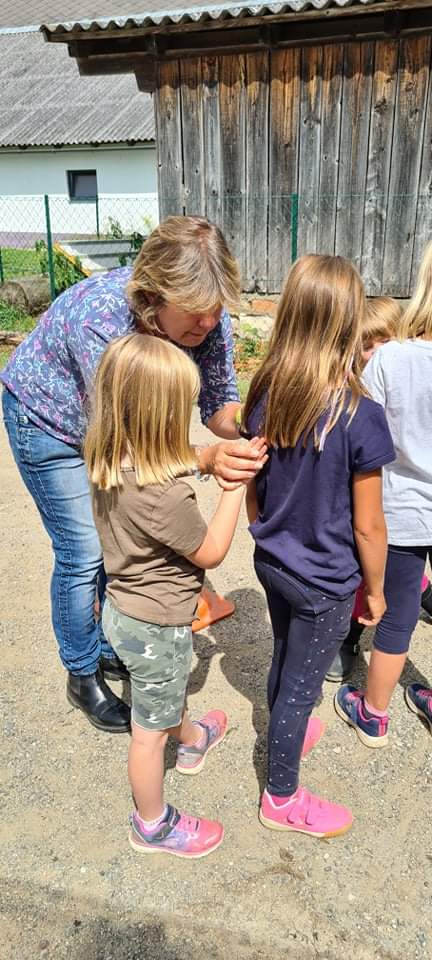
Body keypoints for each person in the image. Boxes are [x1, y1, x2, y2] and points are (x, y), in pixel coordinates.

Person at [1, 216, 266, 733]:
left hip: (119, 436)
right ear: (152, 297)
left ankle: (107, 645)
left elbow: (217, 405)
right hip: (50, 421)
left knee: (115, 545)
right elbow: (123, 445)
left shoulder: (207, 316)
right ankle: (82, 672)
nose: (208, 324)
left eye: (216, 311)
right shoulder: (101, 321)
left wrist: (259, 422)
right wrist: (206, 459)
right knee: (84, 553)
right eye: (195, 313)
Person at [242, 254, 394, 838]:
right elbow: (369, 527)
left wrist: (262, 529)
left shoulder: (268, 389)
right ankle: (282, 797)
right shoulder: (362, 415)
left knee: (287, 652)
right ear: (349, 324)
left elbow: (256, 481)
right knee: (303, 679)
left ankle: (287, 721)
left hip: (272, 560)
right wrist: (375, 591)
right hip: (325, 581)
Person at [86, 333, 247, 858]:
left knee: (161, 691)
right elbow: (212, 550)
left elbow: (169, 460)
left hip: (124, 611)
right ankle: (152, 824)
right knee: (148, 731)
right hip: (157, 624)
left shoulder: (112, 455)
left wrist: (204, 459)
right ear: (162, 415)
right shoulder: (164, 493)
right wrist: (233, 488)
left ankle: (194, 737)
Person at [335, 241, 432, 747]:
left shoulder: (393, 359)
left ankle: (373, 713)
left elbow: (358, 423)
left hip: (403, 509)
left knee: (396, 615)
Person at [325, 295, 401, 682]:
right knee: (363, 566)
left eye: (384, 343)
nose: (375, 354)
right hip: (366, 504)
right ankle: (349, 635)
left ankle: (416, 589)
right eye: (367, 347)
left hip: (406, 503)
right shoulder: (357, 398)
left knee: (401, 563)